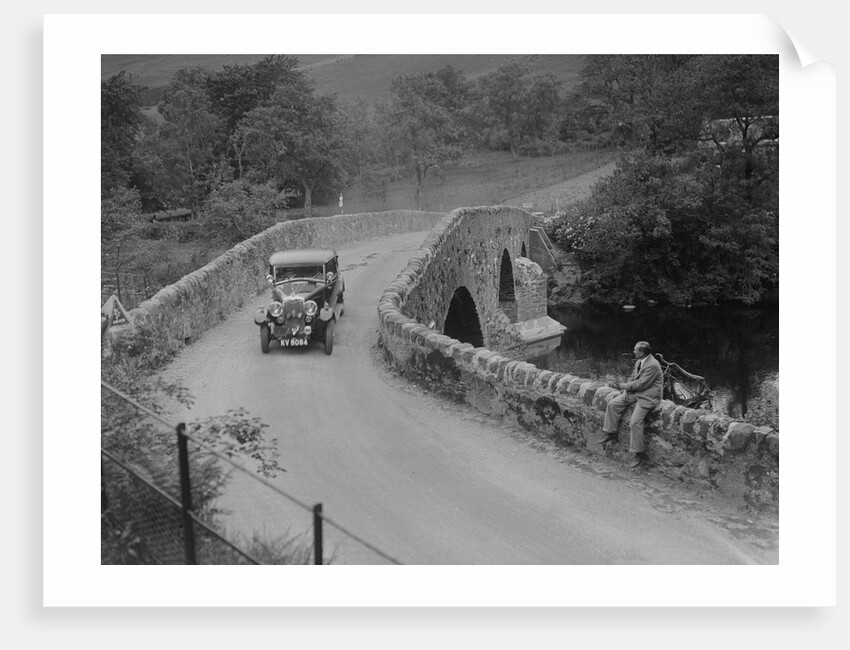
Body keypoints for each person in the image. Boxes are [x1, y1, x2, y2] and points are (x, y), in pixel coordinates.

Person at [600, 341, 663, 468]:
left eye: (635, 350)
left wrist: (622, 385)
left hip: (647, 396)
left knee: (635, 422)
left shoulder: (653, 365)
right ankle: (610, 433)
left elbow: (642, 384)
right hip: (637, 392)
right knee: (613, 404)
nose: (633, 351)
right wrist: (626, 388)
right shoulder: (639, 362)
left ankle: (638, 454)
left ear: (642, 352)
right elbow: (633, 378)